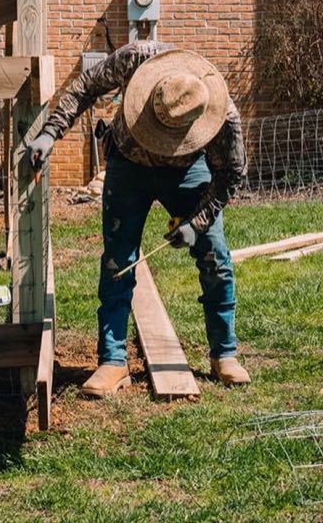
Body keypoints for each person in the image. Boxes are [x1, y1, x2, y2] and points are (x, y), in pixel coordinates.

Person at [27, 42, 249, 397]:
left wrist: (197, 223)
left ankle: (224, 353)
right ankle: (112, 361)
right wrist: (51, 132)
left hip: (188, 173)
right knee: (119, 259)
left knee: (215, 257)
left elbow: (231, 174)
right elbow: (86, 85)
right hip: (129, 166)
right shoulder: (136, 59)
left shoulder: (222, 112)